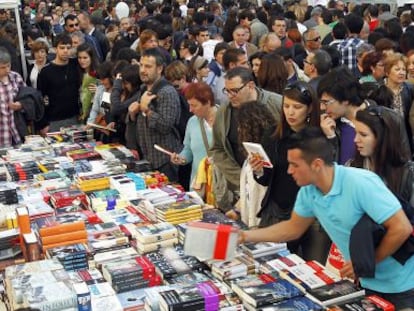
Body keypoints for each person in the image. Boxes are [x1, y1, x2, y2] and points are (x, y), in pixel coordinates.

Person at [241, 127, 414, 310]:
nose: (290, 171)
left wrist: (368, 263)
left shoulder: (360, 183)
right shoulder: (309, 191)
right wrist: (246, 236)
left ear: (316, 164)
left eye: (295, 165)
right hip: (365, 281)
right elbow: (292, 228)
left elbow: (401, 228)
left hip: (400, 285)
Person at [249, 82, 331, 262]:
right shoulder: (273, 135)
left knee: (314, 266)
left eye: (297, 107)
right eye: (286, 106)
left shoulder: (321, 136)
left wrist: (330, 138)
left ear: (310, 109)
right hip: (279, 209)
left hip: (315, 213)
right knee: (271, 263)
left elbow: (331, 173)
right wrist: (259, 170)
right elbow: (266, 180)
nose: (290, 112)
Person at [126, 48, 182, 181]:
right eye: (141, 65)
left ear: (159, 69)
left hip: (165, 161)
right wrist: (132, 115)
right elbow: (138, 122)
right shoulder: (143, 89)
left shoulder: (167, 92)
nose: (142, 70)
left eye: (148, 66)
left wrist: (146, 110)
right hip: (147, 159)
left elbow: (165, 126)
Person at [170, 82, 217, 186]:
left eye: (194, 105)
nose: (190, 110)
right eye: (189, 105)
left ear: (208, 103)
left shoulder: (225, 119)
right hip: (199, 184)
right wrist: (181, 158)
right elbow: (188, 150)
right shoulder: (192, 121)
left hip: (220, 183)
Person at [37, 33, 81, 133]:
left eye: (68, 48)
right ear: (55, 49)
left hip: (75, 118)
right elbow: (40, 99)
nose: (65, 51)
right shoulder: (46, 71)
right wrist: (43, 124)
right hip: (54, 121)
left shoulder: (75, 65)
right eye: (62, 47)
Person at [0, 47, 26, 147]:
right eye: (2, 67)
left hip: (16, 132)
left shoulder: (15, 77)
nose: (7, 70)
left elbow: (27, 96)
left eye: (8, 66)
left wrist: (21, 104)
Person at [77, 43, 99, 122]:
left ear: (91, 58)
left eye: (85, 58)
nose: (82, 61)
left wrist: (99, 91)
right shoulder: (77, 73)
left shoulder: (99, 74)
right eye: (79, 58)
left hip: (95, 116)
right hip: (79, 114)